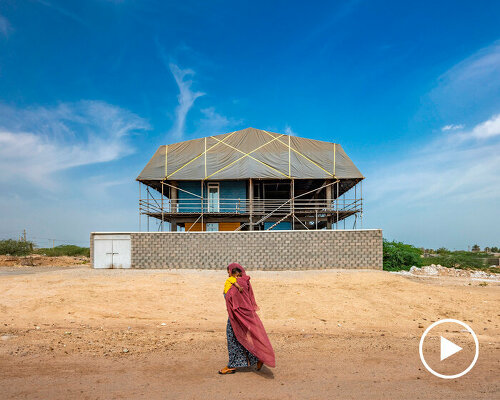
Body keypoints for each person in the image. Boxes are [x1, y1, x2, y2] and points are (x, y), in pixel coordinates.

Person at [219, 262, 276, 375]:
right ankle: (258, 357)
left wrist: (226, 293)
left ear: (233, 273)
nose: (228, 275)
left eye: (229, 273)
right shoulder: (245, 281)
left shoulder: (237, 283)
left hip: (237, 315)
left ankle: (232, 365)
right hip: (246, 314)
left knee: (233, 338)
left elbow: (232, 297)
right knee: (241, 338)